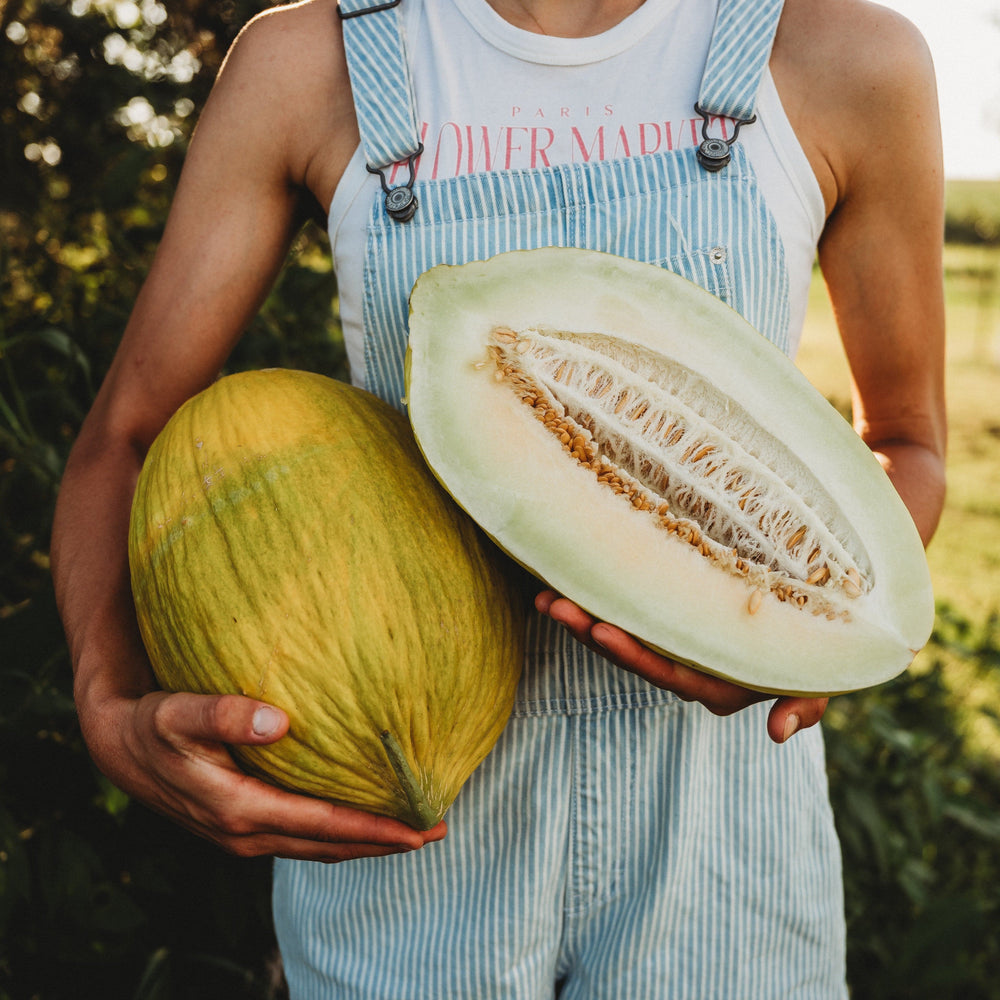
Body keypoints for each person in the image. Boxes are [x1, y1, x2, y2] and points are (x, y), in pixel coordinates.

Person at [51, 0, 946, 995]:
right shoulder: (303, 65)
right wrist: (109, 705)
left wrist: (804, 634)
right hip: (399, 863)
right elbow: (125, 438)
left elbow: (905, 442)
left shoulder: (849, 58)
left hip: (726, 860)